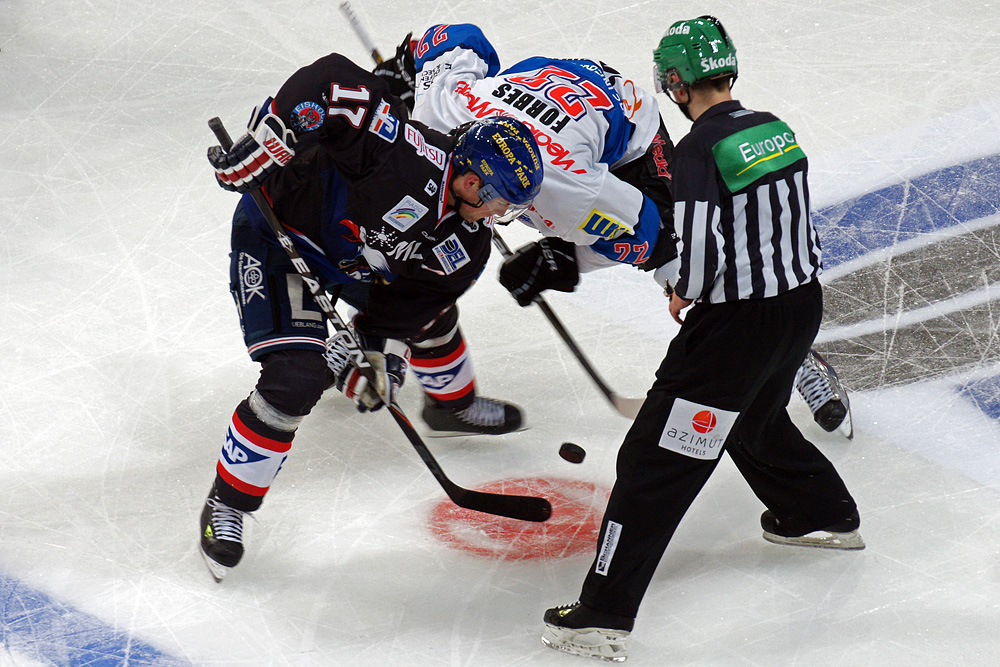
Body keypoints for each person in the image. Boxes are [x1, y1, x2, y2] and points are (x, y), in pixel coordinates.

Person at [539, 17, 864, 662]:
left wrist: (681, 288)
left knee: (654, 462)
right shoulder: (774, 129)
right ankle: (819, 513)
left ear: (676, 82)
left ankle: (602, 615)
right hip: (800, 307)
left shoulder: (695, 151)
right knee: (755, 417)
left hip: (735, 331)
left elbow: (694, 253)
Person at [373, 23, 853, 435]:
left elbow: (645, 233)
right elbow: (459, 38)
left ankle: (799, 360)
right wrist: (404, 67)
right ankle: (401, 358)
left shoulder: (571, 193)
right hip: (547, 96)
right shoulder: (442, 109)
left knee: (681, 262)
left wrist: (565, 259)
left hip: (623, 126)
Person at [200, 52, 543, 582]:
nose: (500, 215)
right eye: (500, 200)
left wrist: (377, 357)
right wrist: (276, 136)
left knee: (433, 319)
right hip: (279, 238)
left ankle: (451, 406)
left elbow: (406, 309)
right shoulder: (404, 156)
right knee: (297, 377)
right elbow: (331, 81)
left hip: (352, 264)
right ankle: (228, 503)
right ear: (472, 179)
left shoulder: (467, 245)